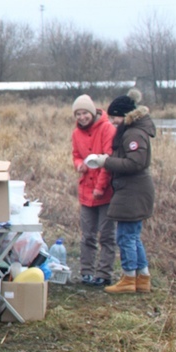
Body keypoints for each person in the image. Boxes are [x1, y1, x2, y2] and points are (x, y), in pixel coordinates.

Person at [85, 89, 155, 294]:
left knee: (125, 236)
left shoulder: (133, 133)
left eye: (115, 118)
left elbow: (136, 162)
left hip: (133, 191)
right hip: (132, 189)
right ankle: (142, 278)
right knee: (133, 236)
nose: (113, 123)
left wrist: (106, 161)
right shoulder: (132, 130)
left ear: (124, 116)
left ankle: (128, 278)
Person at [70, 94, 117, 287]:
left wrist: (100, 188)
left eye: (84, 113)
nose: (82, 117)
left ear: (92, 112)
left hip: (104, 191)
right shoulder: (76, 134)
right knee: (87, 234)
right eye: (78, 114)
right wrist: (79, 164)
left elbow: (108, 160)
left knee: (106, 235)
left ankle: (104, 273)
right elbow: (75, 155)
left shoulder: (107, 129)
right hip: (86, 191)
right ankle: (86, 272)